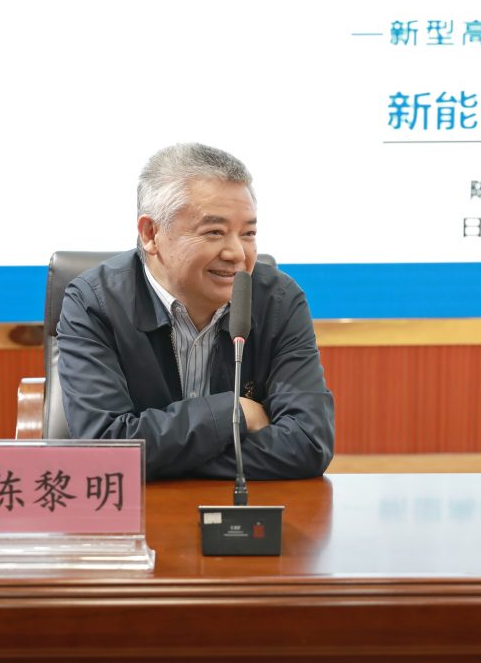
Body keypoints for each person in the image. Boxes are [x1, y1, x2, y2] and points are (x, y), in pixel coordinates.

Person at [56, 143, 334, 480]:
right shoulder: (95, 302)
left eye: (248, 233)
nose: (237, 253)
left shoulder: (278, 300)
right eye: (214, 232)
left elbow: (308, 443)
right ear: (151, 234)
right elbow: (105, 447)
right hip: (139, 509)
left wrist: (160, 459)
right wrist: (232, 413)